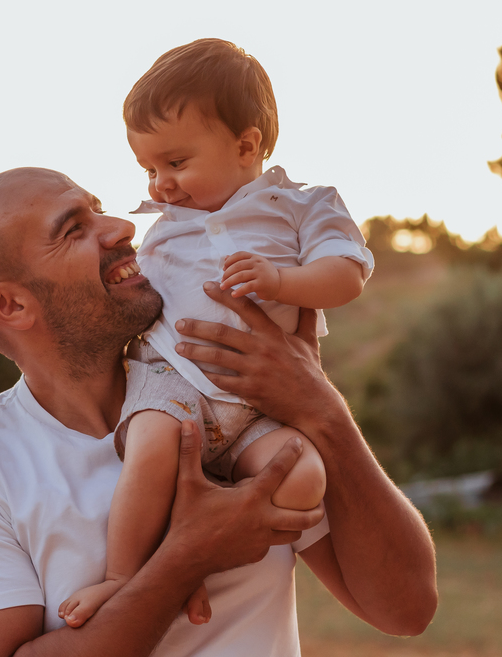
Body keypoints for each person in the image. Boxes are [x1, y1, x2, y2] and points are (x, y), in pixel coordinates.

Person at [0, 166, 437, 656]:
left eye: (98, 209)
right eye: (72, 229)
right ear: (10, 304)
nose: (121, 228)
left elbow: (405, 609)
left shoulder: (238, 400)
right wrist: (186, 559)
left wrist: (323, 408)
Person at [61, 38, 374, 627]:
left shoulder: (303, 206)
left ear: (246, 145)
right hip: (171, 381)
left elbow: (347, 274)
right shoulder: (164, 228)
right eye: (150, 170)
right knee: (153, 448)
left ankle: (199, 549)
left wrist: (282, 282)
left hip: (261, 404)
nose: (161, 184)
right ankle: (123, 576)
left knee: (303, 478)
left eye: (176, 163)